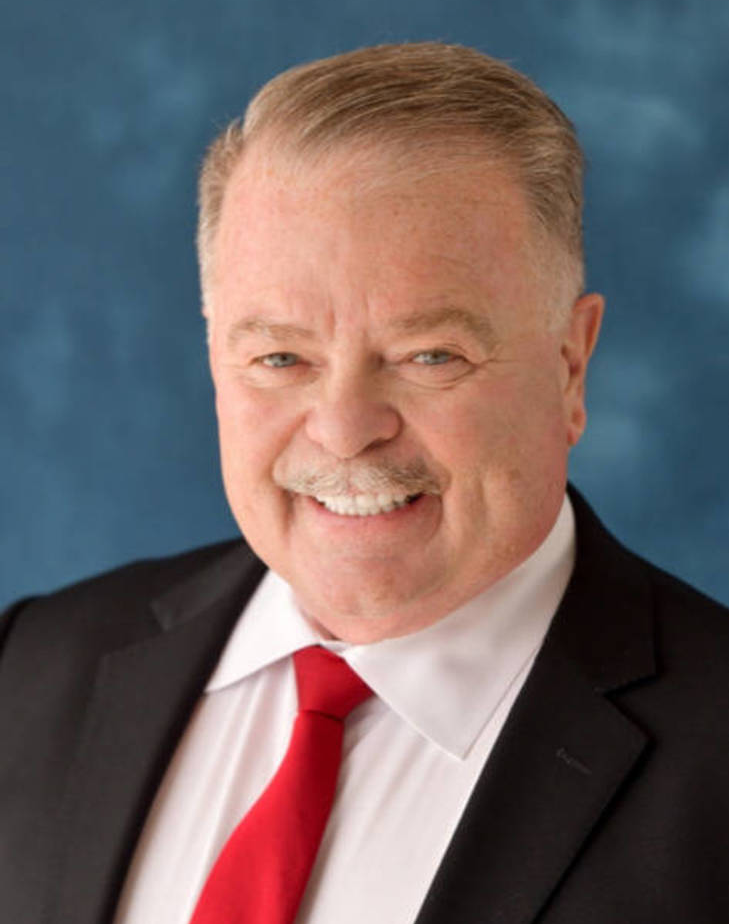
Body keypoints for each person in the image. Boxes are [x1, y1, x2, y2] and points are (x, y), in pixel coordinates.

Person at [1, 42, 728, 924]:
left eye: (429, 356)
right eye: (280, 357)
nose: (344, 428)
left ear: (569, 366)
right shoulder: (31, 668)